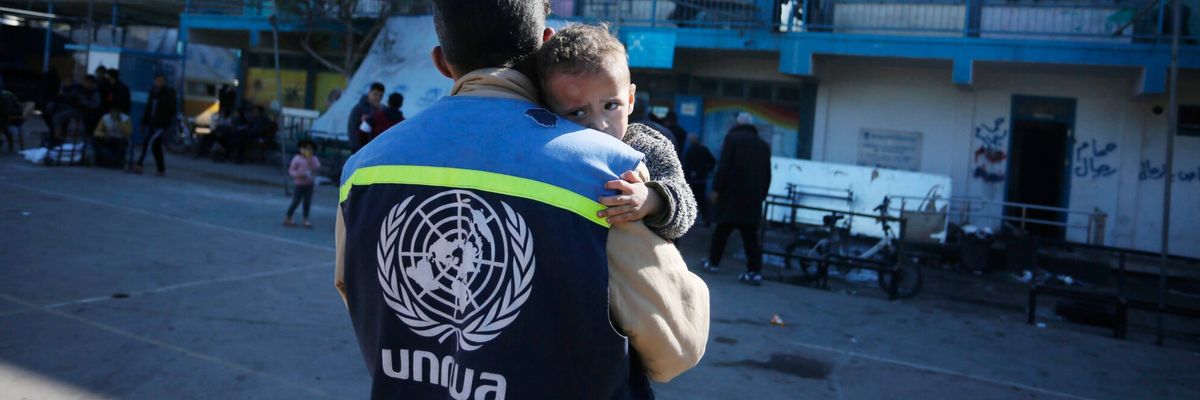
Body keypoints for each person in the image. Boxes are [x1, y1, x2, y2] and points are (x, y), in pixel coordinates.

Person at [334, 2, 708, 398]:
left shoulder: (363, 170)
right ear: (544, 43)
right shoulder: (609, 172)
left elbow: (366, 305)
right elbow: (678, 346)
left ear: (442, 63)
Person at [537, 23, 697, 241]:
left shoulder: (648, 146)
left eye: (610, 106)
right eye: (577, 112)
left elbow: (686, 208)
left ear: (630, 99)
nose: (599, 124)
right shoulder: (549, 149)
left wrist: (650, 199)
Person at [701, 121, 772, 285]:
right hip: (753, 199)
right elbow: (767, 173)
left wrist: (716, 189)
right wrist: (762, 195)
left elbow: (724, 166)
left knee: (721, 231)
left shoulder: (732, 139)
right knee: (750, 236)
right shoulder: (763, 145)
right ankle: (754, 271)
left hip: (731, 196)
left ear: (738, 125)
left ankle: (713, 263)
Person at [137, 73, 175, 175]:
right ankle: (161, 169)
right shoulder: (153, 92)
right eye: (157, 80)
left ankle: (139, 164)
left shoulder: (168, 93)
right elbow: (148, 108)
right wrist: (144, 122)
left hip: (160, 125)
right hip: (152, 123)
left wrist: (166, 123)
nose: (159, 82)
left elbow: (171, 110)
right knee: (155, 146)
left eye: (161, 80)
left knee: (148, 142)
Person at [285, 139, 321, 228]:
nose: (307, 151)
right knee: (296, 201)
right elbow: (291, 170)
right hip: (299, 184)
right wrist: (298, 175)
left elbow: (316, 167)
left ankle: (305, 219)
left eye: (310, 149)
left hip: (309, 184)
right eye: (305, 149)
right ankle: (288, 217)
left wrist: (310, 160)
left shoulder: (313, 159)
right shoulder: (297, 159)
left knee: (307, 202)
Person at [683, 133, 716, 227]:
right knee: (702, 200)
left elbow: (687, 166)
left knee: (689, 200)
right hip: (702, 179)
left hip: (692, 181)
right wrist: (707, 170)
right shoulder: (704, 149)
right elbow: (713, 161)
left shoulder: (690, 151)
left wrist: (687, 177)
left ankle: (687, 221)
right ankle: (706, 219)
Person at [346, 82, 383, 153]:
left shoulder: (381, 109)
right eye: (375, 94)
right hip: (360, 150)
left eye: (380, 96)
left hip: (374, 150)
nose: (377, 98)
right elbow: (353, 130)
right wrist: (356, 150)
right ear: (369, 93)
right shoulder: (358, 109)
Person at [92, 104, 132, 168]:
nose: (114, 113)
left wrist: (119, 122)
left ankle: (116, 163)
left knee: (122, 142)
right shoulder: (105, 118)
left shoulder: (126, 119)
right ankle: (103, 159)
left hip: (120, 138)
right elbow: (97, 131)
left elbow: (128, 133)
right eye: (113, 111)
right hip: (108, 137)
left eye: (116, 111)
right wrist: (104, 135)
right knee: (95, 139)